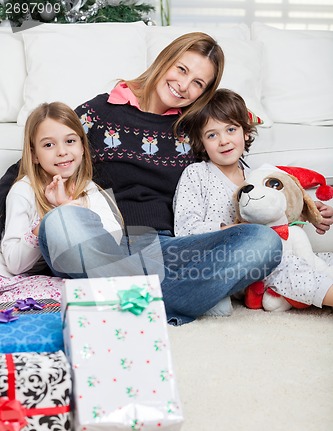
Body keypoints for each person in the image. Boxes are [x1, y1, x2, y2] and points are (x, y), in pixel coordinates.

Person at [0, 32, 321, 324]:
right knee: (60, 222)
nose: (185, 85)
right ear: (165, 60)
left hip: (166, 249)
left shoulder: (192, 131)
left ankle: (118, 297)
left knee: (263, 242)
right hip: (96, 240)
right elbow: (34, 160)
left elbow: (234, 174)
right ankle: (171, 299)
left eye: (198, 83)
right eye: (182, 70)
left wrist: (306, 206)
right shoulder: (101, 111)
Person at [173, 88, 333, 312]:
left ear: (245, 132)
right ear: (201, 142)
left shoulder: (257, 176)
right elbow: (184, 229)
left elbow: (281, 212)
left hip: (268, 254)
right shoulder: (197, 174)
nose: (223, 141)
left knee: (322, 260)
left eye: (231, 129)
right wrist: (234, 230)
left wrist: (310, 212)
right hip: (231, 261)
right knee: (287, 268)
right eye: (212, 135)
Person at [0, 102, 122, 301]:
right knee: (60, 219)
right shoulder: (23, 191)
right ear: (34, 155)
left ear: (83, 147)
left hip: (86, 271)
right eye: (49, 145)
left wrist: (76, 213)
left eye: (70, 141)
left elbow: (113, 241)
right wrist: (50, 220)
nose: (62, 151)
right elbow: (14, 264)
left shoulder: (88, 188)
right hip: (37, 276)